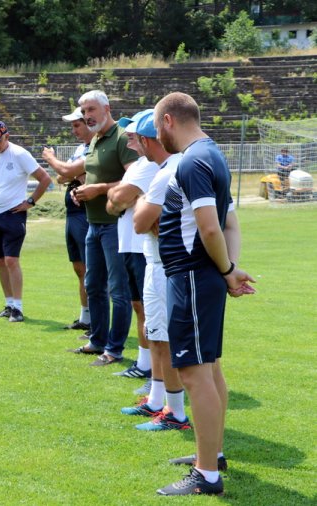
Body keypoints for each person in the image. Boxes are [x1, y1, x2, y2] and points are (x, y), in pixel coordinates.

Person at [153, 92, 254, 496]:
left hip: (192, 276)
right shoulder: (213, 154)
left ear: (168, 121)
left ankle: (207, 475)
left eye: (158, 127)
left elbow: (211, 228)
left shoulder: (194, 160)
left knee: (195, 374)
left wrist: (227, 270)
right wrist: (228, 270)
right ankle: (212, 453)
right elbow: (231, 225)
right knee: (209, 368)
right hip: (203, 276)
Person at [119, 109, 189, 432]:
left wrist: (143, 203)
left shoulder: (167, 170)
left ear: (149, 139)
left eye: (136, 137)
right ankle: (157, 400)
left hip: (166, 265)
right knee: (156, 334)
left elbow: (140, 220)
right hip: (155, 262)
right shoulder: (162, 168)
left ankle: (175, 413)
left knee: (167, 339)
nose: (135, 143)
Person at [67, 90, 139, 367]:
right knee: (93, 285)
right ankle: (97, 340)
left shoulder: (121, 137)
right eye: (84, 111)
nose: (87, 115)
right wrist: (82, 192)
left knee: (117, 289)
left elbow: (133, 182)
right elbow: (93, 176)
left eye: (91, 109)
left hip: (115, 225)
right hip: (93, 224)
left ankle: (114, 349)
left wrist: (98, 189)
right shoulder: (95, 139)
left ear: (107, 108)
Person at [0, 120, 51, 322]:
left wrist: (31, 201)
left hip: (13, 214)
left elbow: (45, 178)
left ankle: (18, 307)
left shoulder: (20, 154)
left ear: (6, 136)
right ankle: (9, 304)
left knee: (11, 260)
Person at [106, 110, 159, 381]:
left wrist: (121, 197)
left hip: (142, 247)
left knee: (150, 311)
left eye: (132, 136)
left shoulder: (150, 165)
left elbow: (121, 197)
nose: (128, 142)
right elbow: (112, 202)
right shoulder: (138, 166)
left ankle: (155, 371)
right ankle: (145, 364)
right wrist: (119, 197)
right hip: (129, 244)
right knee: (140, 307)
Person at [42, 107, 91, 330]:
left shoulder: (95, 149)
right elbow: (62, 176)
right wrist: (71, 172)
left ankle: (96, 322)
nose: (74, 130)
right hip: (72, 214)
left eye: (76, 125)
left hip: (86, 213)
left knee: (91, 269)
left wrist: (62, 166)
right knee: (78, 268)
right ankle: (85, 317)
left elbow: (66, 172)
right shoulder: (80, 149)